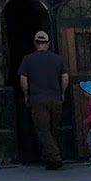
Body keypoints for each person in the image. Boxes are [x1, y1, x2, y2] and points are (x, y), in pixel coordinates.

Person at [18, 31, 68, 170]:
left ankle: (55, 157)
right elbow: (65, 78)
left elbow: (23, 79)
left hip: (38, 98)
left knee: (43, 130)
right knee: (53, 129)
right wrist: (62, 93)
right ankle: (49, 159)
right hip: (56, 97)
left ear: (35, 43)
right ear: (48, 43)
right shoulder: (58, 59)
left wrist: (26, 95)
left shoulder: (28, 60)